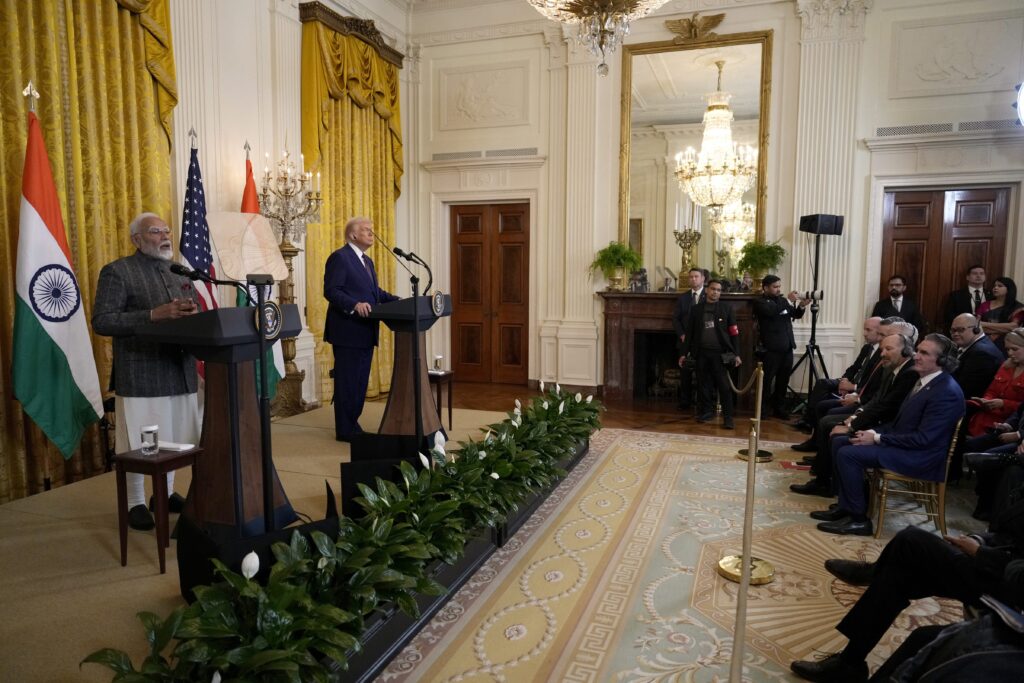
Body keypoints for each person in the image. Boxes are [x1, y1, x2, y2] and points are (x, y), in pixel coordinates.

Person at [789, 521, 1024, 683]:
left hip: (1009, 593)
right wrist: (977, 539)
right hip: (1001, 571)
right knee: (898, 575)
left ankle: (871, 573)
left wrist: (982, 554)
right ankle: (850, 663)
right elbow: (1011, 535)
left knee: (910, 540)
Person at [92, 212, 202, 531]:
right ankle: (135, 503)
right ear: (137, 239)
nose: (165, 235)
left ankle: (164, 496)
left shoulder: (179, 271)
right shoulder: (118, 271)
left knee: (174, 441)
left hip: (179, 370)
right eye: (156, 231)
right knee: (143, 443)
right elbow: (103, 321)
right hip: (142, 373)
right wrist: (153, 314)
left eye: (167, 230)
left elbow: (190, 313)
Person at [813, 334, 965, 536]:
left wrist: (877, 438)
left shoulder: (945, 391)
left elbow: (924, 439)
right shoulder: (925, 381)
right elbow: (900, 424)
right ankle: (846, 507)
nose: (916, 356)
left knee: (848, 453)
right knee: (841, 441)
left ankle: (859, 520)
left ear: (943, 361)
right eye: (918, 350)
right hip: (905, 445)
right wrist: (871, 431)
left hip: (920, 457)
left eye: (924, 353)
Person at [790, 332, 917, 498]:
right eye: (882, 348)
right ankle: (825, 479)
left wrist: (852, 423)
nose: (882, 353)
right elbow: (878, 400)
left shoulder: (908, 372)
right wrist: (855, 417)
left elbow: (885, 407)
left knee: (833, 428)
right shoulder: (895, 367)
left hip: (884, 426)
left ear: (906, 351)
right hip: (873, 414)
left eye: (888, 348)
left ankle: (828, 484)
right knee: (829, 421)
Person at [323, 217, 399, 442]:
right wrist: (354, 305)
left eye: (372, 230)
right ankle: (345, 430)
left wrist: (399, 301)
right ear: (353, 235)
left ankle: (352, 424)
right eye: (366, 230)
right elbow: (331, 291)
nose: (371, 233)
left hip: (365, 331)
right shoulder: (340, 257)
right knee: (348, 382)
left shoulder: (367, 262)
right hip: (347, 330)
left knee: (359, 383)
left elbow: (375, 293)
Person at [790, 317, 882, 434]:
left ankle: (812, 422)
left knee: (825, 403)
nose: (864, 333)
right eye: (864, 329)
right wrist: (844, 381)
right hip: (851, 382)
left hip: (858, 388)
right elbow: (854, 368)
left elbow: (870, 382)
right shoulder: (867, 348)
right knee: (822, 383)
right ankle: (809, 420)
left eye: (868, 330)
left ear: (879, 332)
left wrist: (852, 387)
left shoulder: (882, 354)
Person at [680, 279, 741, 429]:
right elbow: (689, 334)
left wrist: (737, 354)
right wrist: (683, 353)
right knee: (703, 385)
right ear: (707, 290)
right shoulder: (696, 310)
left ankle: (728, 417)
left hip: (720, 354)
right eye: (713, 289)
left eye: (719, 290)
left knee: (724, 387)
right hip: (701, 353)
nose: (716, 292)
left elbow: (734, 333)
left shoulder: (726, 308)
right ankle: (706, 412)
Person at [753, 275, 809, 418]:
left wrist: (801, 305)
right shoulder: (760, 302)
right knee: (766, 381)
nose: (778, 289)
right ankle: (763, 410)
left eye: (779, 286)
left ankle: (780, 409)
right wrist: (789, 301)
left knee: (783, 381)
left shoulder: (782, 301)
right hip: (771, 349)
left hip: (787, 347)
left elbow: (795, 314)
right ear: (765, 288)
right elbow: (772, 312)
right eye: (775, 287)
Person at [965, 328, 1024, 438]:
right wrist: (987, 401)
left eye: (1015, 349)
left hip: (1009, 424)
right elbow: (992, 391)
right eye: (1007, 349)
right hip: (985, 418)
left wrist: (1004, 403)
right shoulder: (1006, 366)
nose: (1010, 353)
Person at [671, 267, 707, 409]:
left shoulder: (709, 295)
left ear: (703, 278)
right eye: (691, 277)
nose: (693, 279)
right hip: (685, 342)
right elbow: (676, 319)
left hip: (703, 342)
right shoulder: (684, 298)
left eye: (696, 276)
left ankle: (702, 403)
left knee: (702, 374)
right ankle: (684, 402)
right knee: (685, 374)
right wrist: (682, 335)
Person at [950, 312, 1004, 401]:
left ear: (976, 329)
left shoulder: (981, 354)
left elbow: (963, 390)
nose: (955, 334)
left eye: (960, 329)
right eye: (953, 330)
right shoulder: (974, 346)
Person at [978, 276, 1024, 353]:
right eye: (994, 286)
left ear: (1009, 289)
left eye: (1000, 286)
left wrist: (984, 324)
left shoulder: (1018, 307)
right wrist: (1003, 328)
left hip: (1007, 344)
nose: (995, 288)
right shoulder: (984, 305)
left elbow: (1013, 327)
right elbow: (976, 325)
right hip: (983, 342)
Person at [944, 264, 989, 328]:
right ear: (967, 277)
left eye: (982, 273)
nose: (978, 276)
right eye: (975, 273)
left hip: (987, 330)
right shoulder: (956, 295)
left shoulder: (991, 295)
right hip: (963, 329)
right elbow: (949, 316)